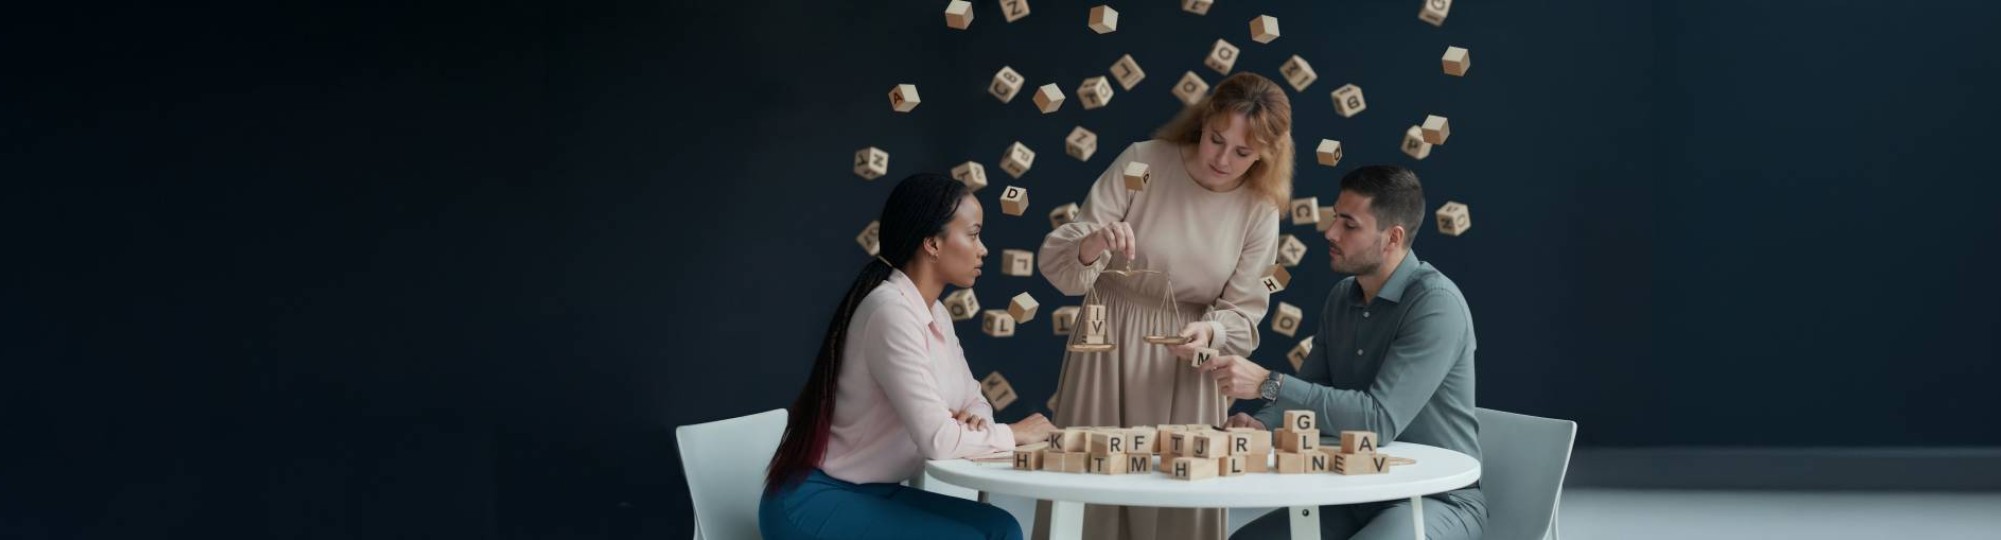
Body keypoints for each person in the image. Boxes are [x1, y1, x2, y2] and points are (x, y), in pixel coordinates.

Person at [1034, 72, 1295, 540]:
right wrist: (1095, 242)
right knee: (1091, 487)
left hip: (1188, 361)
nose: (1223, 159)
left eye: (1243, 152)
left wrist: (1210, 333)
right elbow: (1063, 266)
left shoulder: (1260, 208)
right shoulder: (1144, 161)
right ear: (1204, 121)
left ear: (1266, 154)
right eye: (1217, 140)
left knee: (1178, 505)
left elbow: (1244, 310)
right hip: (1106, 342)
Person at [762, 173, 1061, 540]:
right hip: (814, 499)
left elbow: (974, 399)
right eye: (973, 235)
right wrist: (1014, 434)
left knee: (1003, 528)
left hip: (873, 491)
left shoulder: (935, 313)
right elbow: (938, 440)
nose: (983, 249)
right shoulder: (890, 312)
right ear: (932, 244)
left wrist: (976, 423)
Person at [1202, 165, 1485, 540]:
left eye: (1349, 225)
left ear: (1392, 237)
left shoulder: (1435, 304)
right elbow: (1309, 394)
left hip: (1435, 499)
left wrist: (1268, 382)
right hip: (1354, 492)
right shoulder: (1341, 297)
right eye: (1335, 217)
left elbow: (1378, 421)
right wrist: (1262, 426)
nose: (1331, 232)